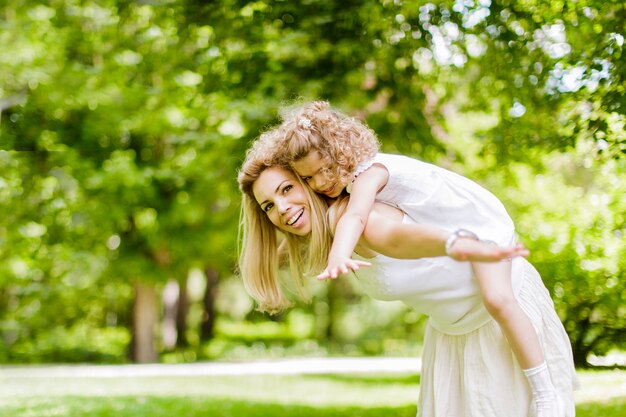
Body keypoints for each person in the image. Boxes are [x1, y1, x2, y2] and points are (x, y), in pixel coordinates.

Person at [237, 132, 578, 417]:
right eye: (268, 206)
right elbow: (282, 250)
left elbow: (396, 239)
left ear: (310, 181)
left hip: (500, 327)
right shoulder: (330, 229)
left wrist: (455, 242)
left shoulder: (359, 216)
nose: (280, 208)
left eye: (286, 190)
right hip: (450, 339)